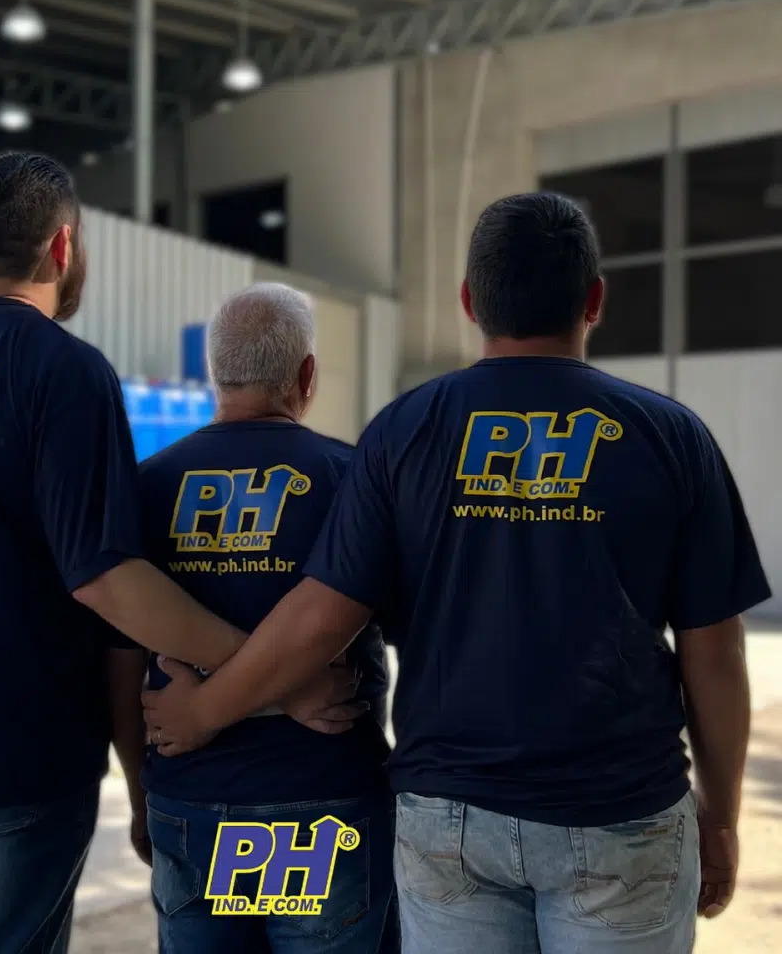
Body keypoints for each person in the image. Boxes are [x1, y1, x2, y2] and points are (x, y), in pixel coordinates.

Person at [141, 192, 770, 954]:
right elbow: (716, 650)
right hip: (619, 813)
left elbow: (320, 616)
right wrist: (721, 815)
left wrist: (205, 711)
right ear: (594, 300)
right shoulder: (670, 436)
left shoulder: (405, 431)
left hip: (450, 819)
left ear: (470, 302)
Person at [0, 151, 359, 954]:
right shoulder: (61, 370)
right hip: (16, 756)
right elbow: (108, 580)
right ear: (63, 246)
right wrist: (271, 676)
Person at [115, 283, 397, 953]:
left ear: (215, 371)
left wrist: (140, 793)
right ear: (307, 374)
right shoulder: (351, 479)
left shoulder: (146, 487)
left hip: (191, 798)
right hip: (325, 802)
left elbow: (119, 661)